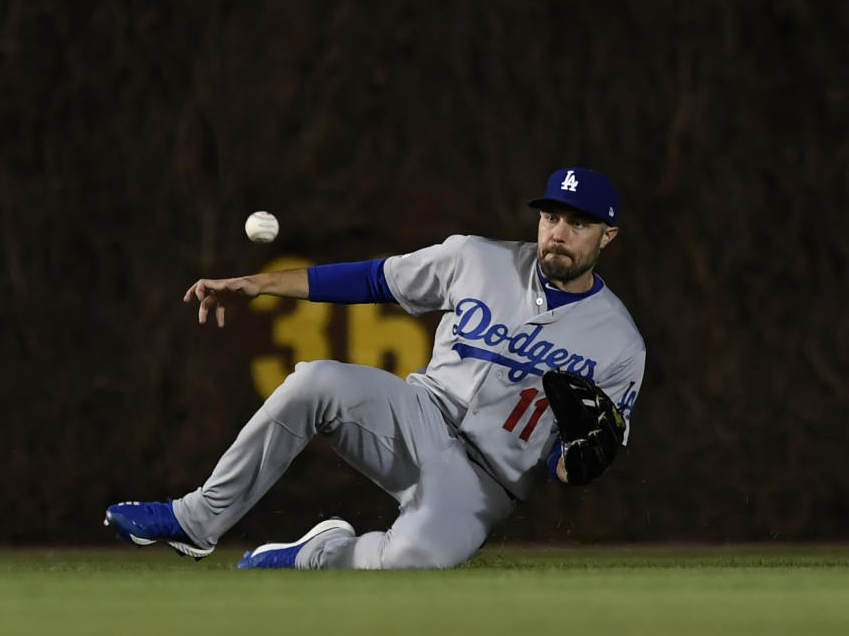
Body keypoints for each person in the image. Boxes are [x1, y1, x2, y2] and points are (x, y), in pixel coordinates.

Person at [104, 167, 646, 569]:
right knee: (315, 380)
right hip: (419, 416)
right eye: (551, 216)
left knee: (409, 564)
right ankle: (196, 520)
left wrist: (577, 464)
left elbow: (572, 459)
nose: (558, 232)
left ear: (608, 236)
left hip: (486, 482)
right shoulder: (478, 259)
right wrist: (259, 284)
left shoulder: (620, 343)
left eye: (578, 223)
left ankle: (319, 553)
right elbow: (373, 279)